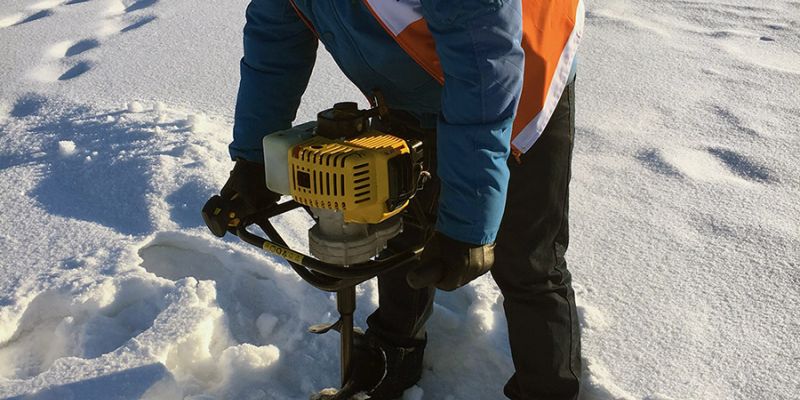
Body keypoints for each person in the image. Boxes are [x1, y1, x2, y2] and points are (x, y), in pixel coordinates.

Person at [212, 1, 584, 399]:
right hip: (414, 69)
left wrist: (468, 227)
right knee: (398, 216)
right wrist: (254, 163)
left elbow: (483, 69)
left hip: (519, 75)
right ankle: (395, 348)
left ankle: (548, 388)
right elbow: (276, 38)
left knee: (524, 257)